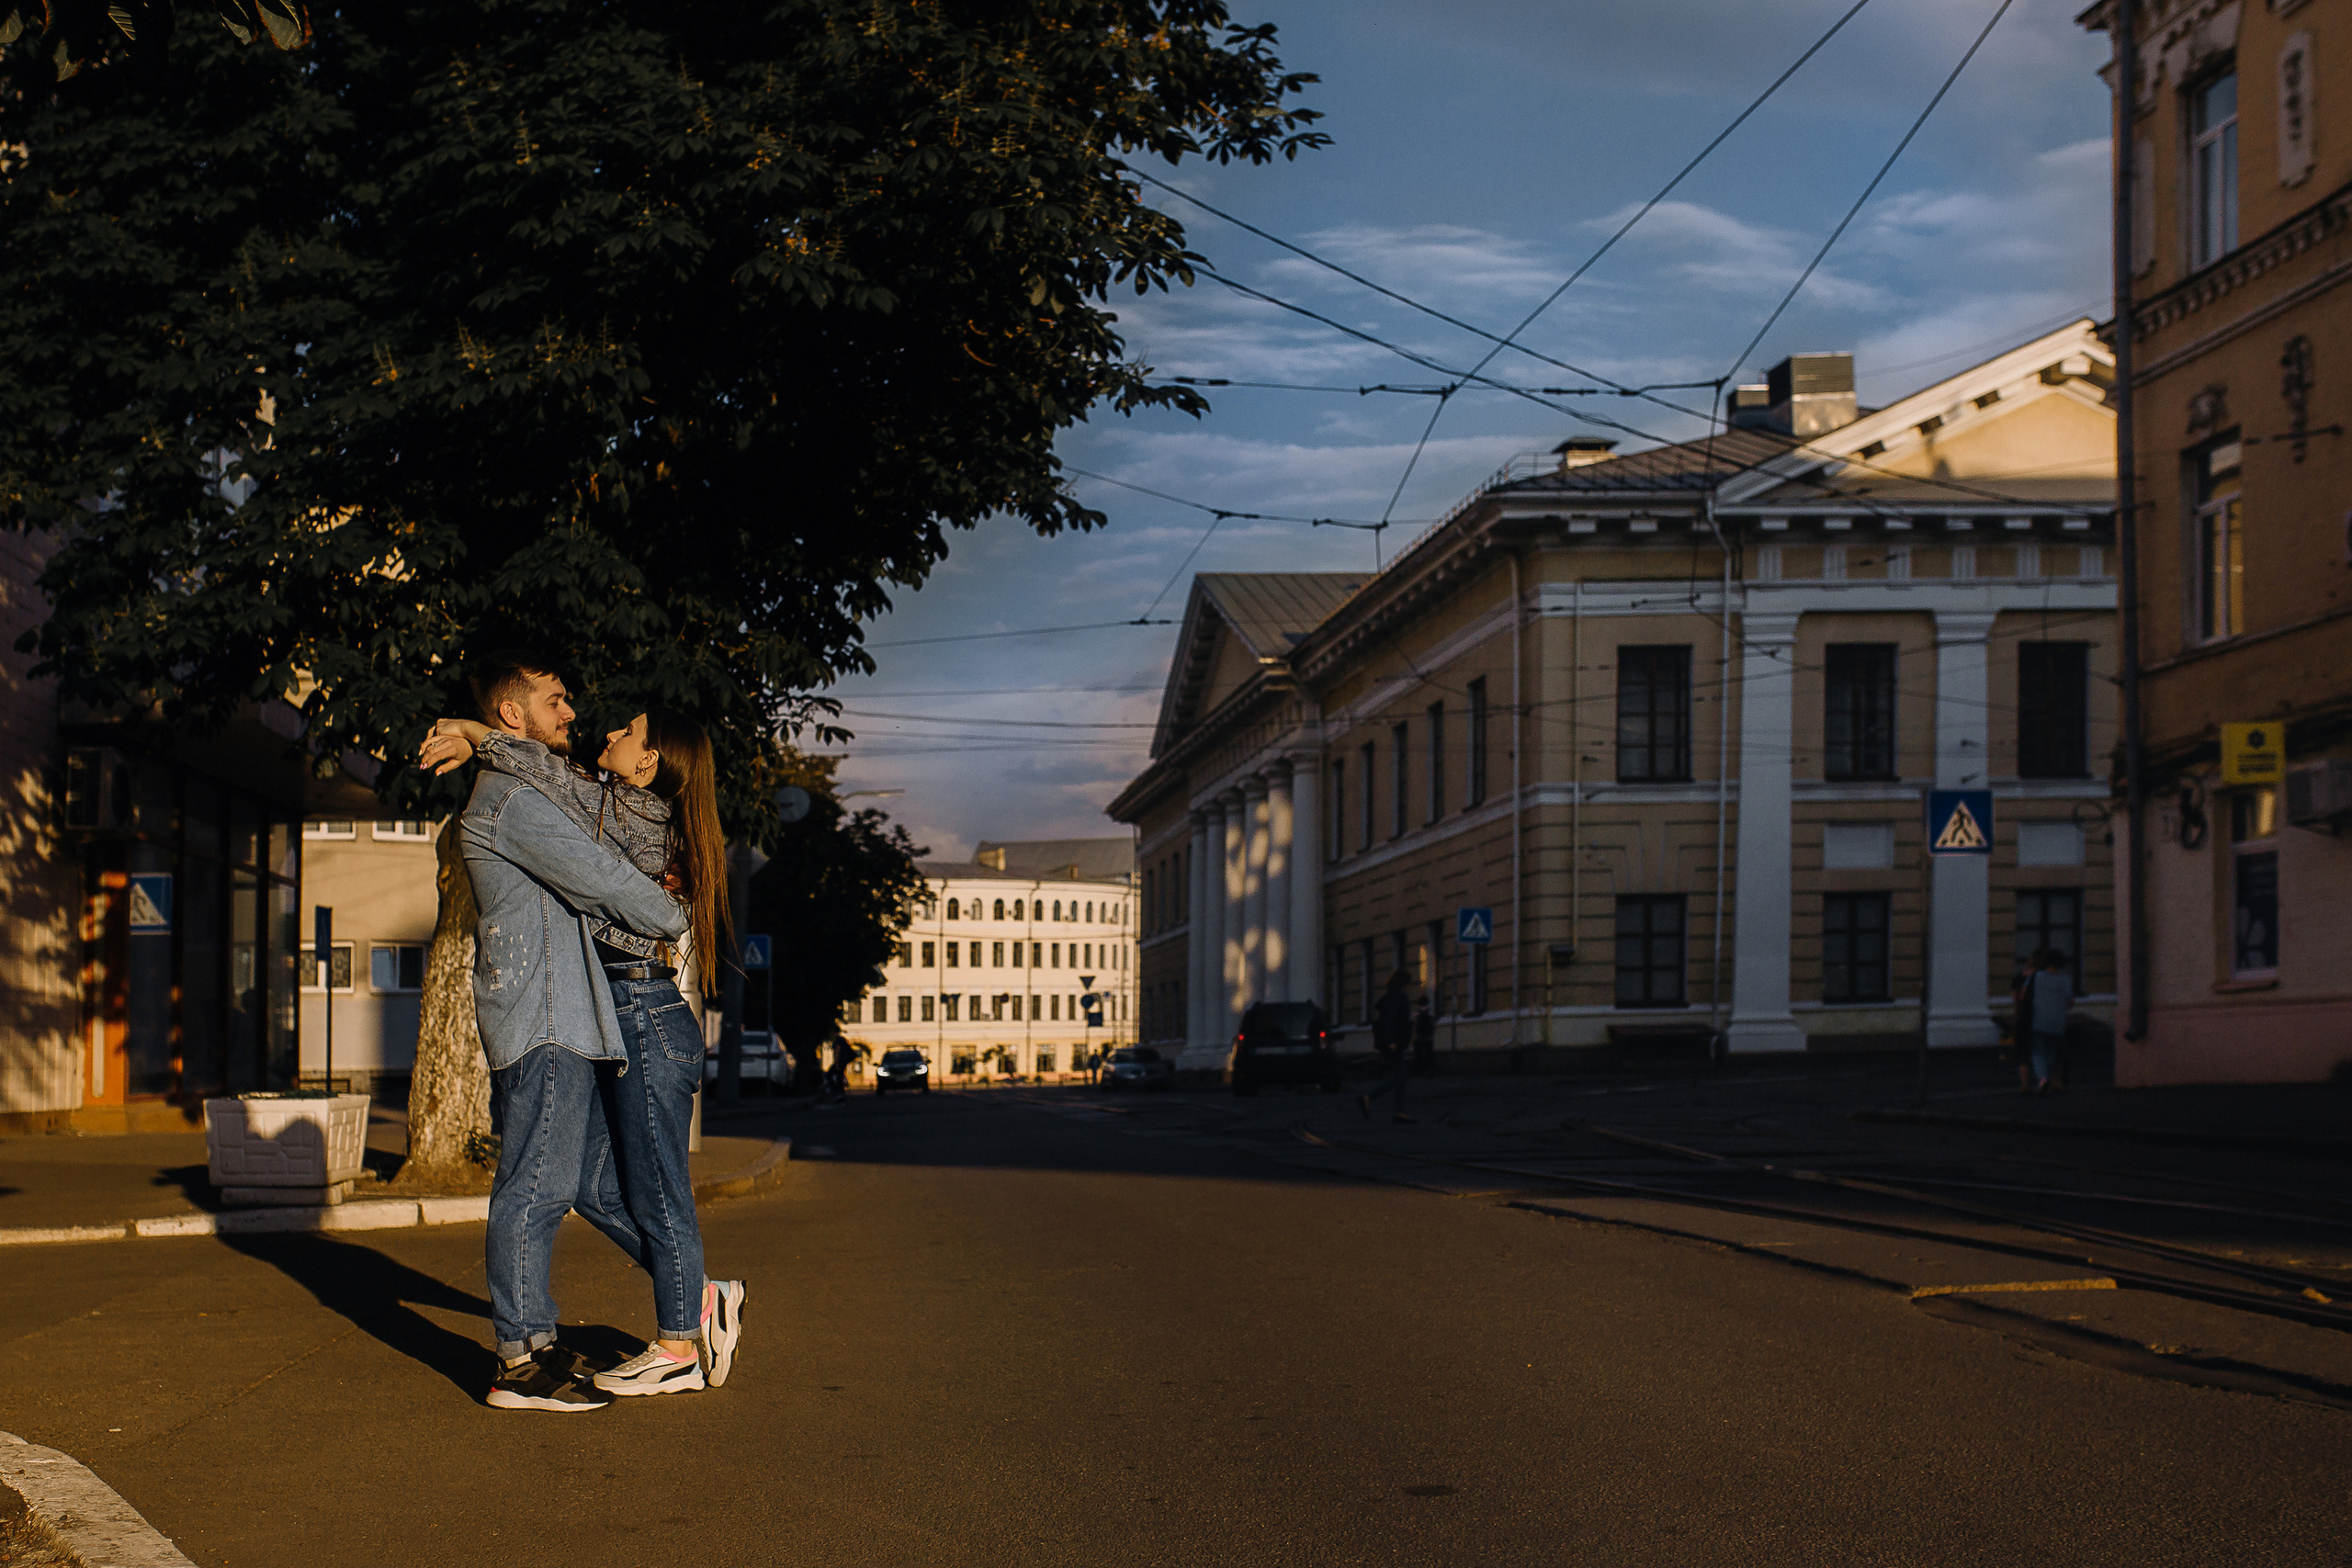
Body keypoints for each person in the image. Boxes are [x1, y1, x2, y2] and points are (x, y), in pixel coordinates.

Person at [420, 660, 746, 1407]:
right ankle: (524, 1357)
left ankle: (678, 1317)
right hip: (549, 1015)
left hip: (604, 1014)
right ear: (514, 713)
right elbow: (602, 878)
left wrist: (477, 734)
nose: (579, 714)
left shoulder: (546, 789)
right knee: (545, 1185)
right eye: (556, 700)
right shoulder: (516, 802)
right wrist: (669, 918)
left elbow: (571, 798)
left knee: (596, 1184)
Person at [1357, 970, 1417, 1125]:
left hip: (1393, 1042)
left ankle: (1399, 1112)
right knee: (1400, 1077)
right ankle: (1368, 1097)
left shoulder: (1389, 997)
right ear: (1404, 984)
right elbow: (1391, 1021)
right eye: (1408, 983)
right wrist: (1392, 1041)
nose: (1409, 986)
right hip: (1395, 1042)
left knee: (1400, 1077)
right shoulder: (1398, 998)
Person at [2022, 948, 2074, 1096]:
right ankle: (2049, 1079)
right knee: (2051, 1052)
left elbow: (2025, 995)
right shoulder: (2065, 979)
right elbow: (2070, 1001)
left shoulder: (2036, 976)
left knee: (2038, 1052)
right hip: (2057, 1021)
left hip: (2037, 1020)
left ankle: (2043, 1080)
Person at [1410, 995, 1437, 1077]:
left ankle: (1419, 1072)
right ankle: (1429, 1072)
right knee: (1429, 1055)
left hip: (1418, 1038)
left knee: (1418, 1055)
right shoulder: (1430, 1012)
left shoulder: (1416, 1013)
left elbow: (1411, 1022)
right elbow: (1434, 1022)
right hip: (1428, 1038)